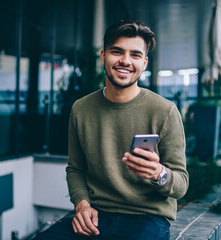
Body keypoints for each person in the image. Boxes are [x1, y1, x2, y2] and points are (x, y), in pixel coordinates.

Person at [33, 19, 189, 240]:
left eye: (135, 55)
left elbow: (181, 183)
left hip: (147, 218)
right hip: (96, 214)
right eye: (117, 52)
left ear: (144, 63)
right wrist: (82, 205)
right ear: (103, 56)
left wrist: (158, 174)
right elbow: (75, 169)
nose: (125, 61)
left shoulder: (164, 111)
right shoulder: (81, 108)